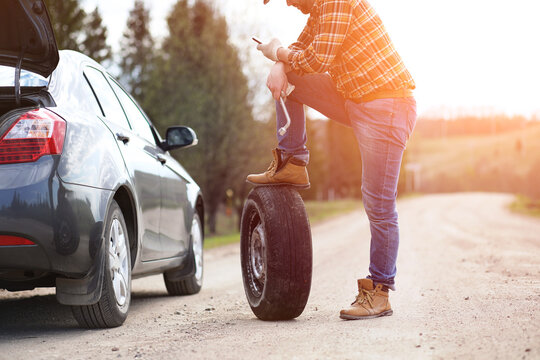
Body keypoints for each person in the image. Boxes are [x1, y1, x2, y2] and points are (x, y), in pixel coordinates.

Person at [247, 0, 417, 320]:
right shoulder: (319, 11)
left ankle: (379, 292)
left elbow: (316, 59)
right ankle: (293, 160)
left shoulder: (336, 1)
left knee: (378, 202)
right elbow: (301, 48)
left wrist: (278, 53)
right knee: (292, 75)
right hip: (355, 98)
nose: (288, 4)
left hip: (386, 106)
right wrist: (281, 63)